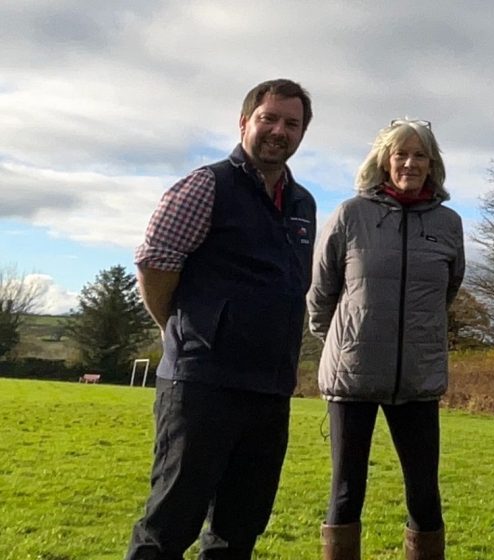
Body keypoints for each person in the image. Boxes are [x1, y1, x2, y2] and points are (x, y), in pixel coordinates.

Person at [127, 78, 316, 559]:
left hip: (269, 390)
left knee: (238, 531)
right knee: (169, 526)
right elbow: (155, 263)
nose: (278, 131)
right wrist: (185, 328)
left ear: (302, 133)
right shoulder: (206, 185)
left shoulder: (303, 204)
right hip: (201, 385)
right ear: (244, 122)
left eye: (291, 123)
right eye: (268, 119)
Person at [308, 118, 464, 560]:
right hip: (351, 376)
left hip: (417, 379)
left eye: (419, 155)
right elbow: (321, 294)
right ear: (384, 160)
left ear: (432, 165)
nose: (410, 163)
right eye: (401, 154)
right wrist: (344, 342)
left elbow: (446, 291)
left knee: (424, 496)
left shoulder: (449, 224)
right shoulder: (350, 215)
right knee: (345, 491)